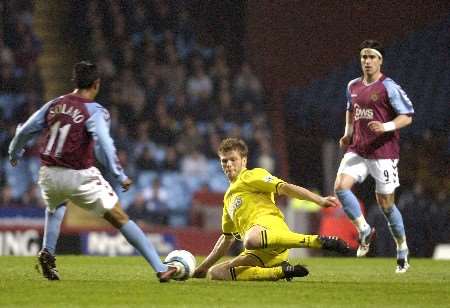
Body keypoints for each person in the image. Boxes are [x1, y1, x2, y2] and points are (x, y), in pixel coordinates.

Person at [8, 61, 178, 282]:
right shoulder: (95, 110)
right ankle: (160, 267)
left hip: (48, 174)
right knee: (119, 217)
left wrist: (14, 152)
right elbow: (104, 143)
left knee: (56, 206)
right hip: (78, 175)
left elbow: (26, 129)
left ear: (75, 81)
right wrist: (119, 174)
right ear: (96, 84)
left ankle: (47, 252)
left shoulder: (54, 104)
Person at [193, 138, 350, 281]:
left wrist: (319, 200)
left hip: (272, 232)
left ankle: (318, 241)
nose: (228, 164)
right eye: (224, 161)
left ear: (244, 160)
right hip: (259, 253)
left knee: (251, 239)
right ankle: (280, 271)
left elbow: (285, 188)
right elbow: (227, 239)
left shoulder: (252, 176)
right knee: (216, 273)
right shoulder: (228, 199)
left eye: (233, 159)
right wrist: (203, 267)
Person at [334, 40, 414, 273]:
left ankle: (402, 249)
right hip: (358, 149)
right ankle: (364, 230)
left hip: (384, 153)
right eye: (364, 57)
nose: (367, 61)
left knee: (386, 206)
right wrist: (347, 134)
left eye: (372, 57)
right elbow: (351, 110)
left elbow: (407, 116)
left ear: (380, 60)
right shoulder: (352, 86)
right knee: (340, 186)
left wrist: (387, 126)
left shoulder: (389, 86)